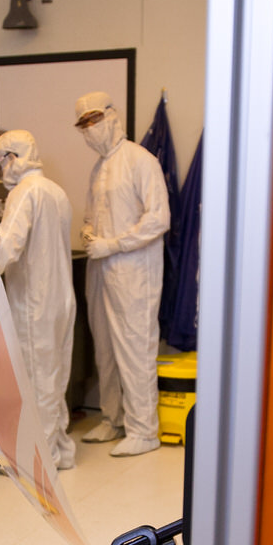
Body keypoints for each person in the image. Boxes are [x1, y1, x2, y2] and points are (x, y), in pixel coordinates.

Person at [74, 91, 170, 456]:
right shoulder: (98, 168)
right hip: (101, 268)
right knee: (106, 348)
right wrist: (88, 233)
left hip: (134, 272)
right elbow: (89, 215)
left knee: (134, 346)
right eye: (82, 124)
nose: (89, 129)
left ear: (112, 116)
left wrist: (113, 244)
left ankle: (144, 430)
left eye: (94, 119)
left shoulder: (140, 160)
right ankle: (112, 419)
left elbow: (159, 219)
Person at [0, 129, 77, 470]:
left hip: (34, 303)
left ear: (13, 158)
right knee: (54, 378)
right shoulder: (56, 191)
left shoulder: (25, 192)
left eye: (1, 164)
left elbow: (6, 247)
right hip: (60, 300)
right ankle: (60, 450)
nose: (1, 172)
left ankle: (42, 460)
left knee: (37, 379)